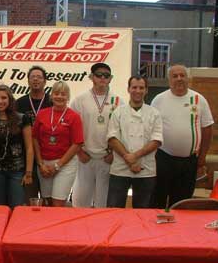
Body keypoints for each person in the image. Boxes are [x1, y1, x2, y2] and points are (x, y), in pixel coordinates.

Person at [151, 64, 213, 208]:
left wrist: (202, 158)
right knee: (157, 200)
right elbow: (150, 129)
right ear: (169, 80)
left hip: (189, 162)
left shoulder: (199, 99)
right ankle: (155, 229)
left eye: (182, 75)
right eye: (175, 76)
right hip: (163, 159)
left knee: (181, 203)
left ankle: (177, 230)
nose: (179, 79)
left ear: (188, 78)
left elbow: (207, 128)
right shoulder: (158, 100)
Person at [71, 62, 123, 208]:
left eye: (106, 76)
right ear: (91, 77)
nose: (102, 78)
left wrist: (114, 153)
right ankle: (81, 230)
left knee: (104, 203)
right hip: (85, 157)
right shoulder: (79, 100)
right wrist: (79, 152)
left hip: (107, 158)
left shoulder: (119, 101)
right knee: (80, 202)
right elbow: (71, 129)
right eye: (98, 75)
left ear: (111, 79)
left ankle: (101, 230)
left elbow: (123, 131)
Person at [106, 76, 163, 208]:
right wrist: (129, 159)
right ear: (128, 89)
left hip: (145, 170)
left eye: (141, 88)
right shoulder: (118, 112)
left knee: (143, 213)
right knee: (114, 210)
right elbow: (112, 139)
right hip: (120, 170)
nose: (137, 91)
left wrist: (135, 156)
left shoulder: (154, 113)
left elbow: (156, 140)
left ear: (146, 90)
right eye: (134, 87)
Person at [32, 81, 84, 207]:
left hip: (65, 164)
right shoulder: (42, 114)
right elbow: (35, 139)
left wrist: (57, 165)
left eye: (63, 94)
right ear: (51, 95)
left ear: (68, 97)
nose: (59, 97)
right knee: (47, 201)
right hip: (44, 164)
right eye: (56, 93)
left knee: (58, 202)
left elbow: (77, 144)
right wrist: (40, 164)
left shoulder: (74, 116)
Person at [0, 85, 33, 208]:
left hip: (17, 170)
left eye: (3, 98)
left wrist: (28, 173)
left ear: (10, 99)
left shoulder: (22, 118)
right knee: (1, 207)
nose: (0, 101)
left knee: (16, 206)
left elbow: (29, 147)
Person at [16, 65, 52, 203]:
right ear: (28, 81)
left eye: (39, 77)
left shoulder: (52, 102)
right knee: (28, 198)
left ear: (45, 81)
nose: (36, 80)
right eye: (32, 77)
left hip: (48, 155)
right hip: (26, 157)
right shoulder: (19, 103)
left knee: (48, 199)